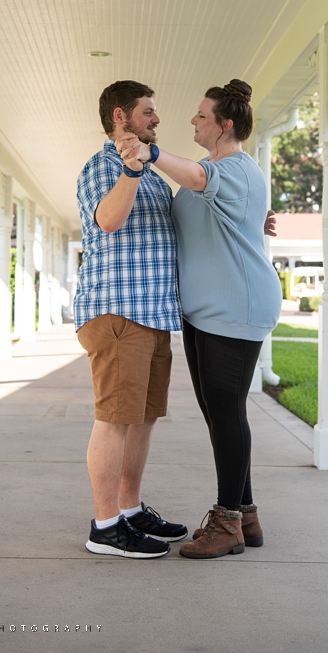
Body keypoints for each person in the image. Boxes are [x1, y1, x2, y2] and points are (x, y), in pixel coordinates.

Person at [118, 79, 283, 559]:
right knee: (219, 414)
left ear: (225, 125)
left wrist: (150, 153)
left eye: (202, 115)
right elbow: (209, 200)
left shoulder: (231, 168)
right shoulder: (219, 170)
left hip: (235, 306)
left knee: (227, 414)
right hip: (207, 311)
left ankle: (228, 521)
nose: (193, 120)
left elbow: (194, 180)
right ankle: (245, 514)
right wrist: (258, 218)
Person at [73, 80, 188, 558]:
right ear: (121, 116)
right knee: (115, 420)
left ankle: (130, 508)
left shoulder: (153, 171)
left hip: (152, 313)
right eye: (148, 112)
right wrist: (131, 169)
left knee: (141, 420)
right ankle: (105, 526)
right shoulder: (104, 167)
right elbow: (108, 220)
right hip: (118, 310)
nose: (156, 119)